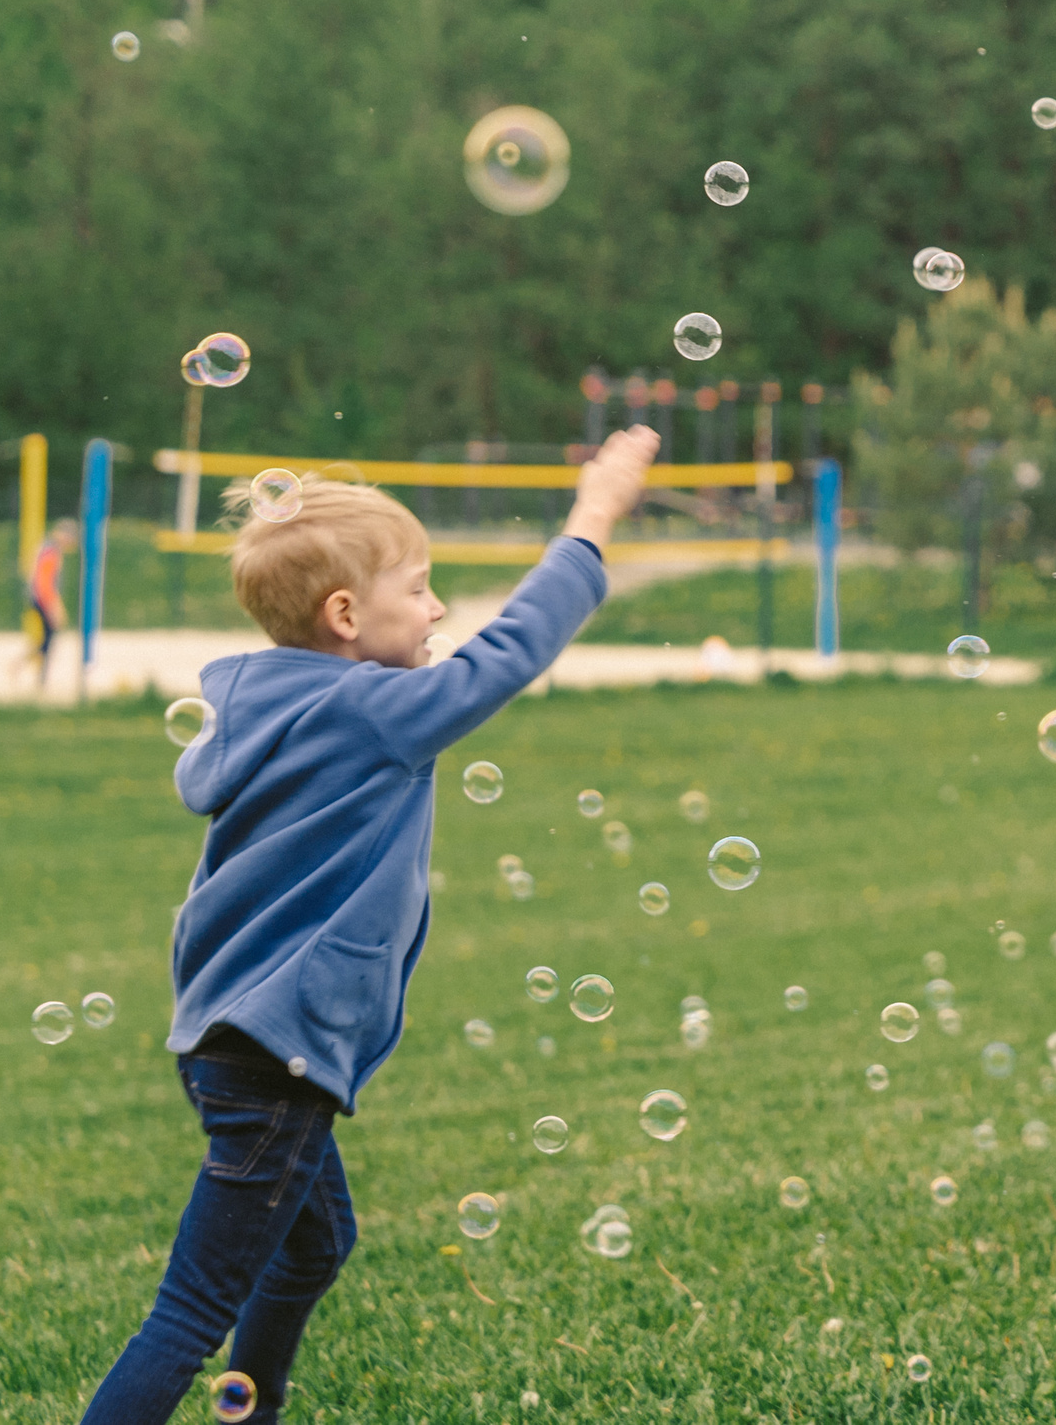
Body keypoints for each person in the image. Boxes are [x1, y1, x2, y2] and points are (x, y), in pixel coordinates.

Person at [80, 427, 660, 1425]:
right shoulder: (372, 710)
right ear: (346, 614)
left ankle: (249, 1410)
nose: (437, 610)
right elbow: (507, 656)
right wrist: (592, 519)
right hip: (281, 1053)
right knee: (187, 1314)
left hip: (230, 1037)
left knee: (314, 1244)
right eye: (421, 588)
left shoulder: (260, 705)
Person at [28, 516, 77, 689]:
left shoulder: (49, 548)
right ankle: (38, 676)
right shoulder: (51, 551)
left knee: (48, 638)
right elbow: (44, 583)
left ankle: (36, 672)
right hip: (43, 599)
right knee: (49, 638)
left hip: (40, 598)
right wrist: (54, 607)